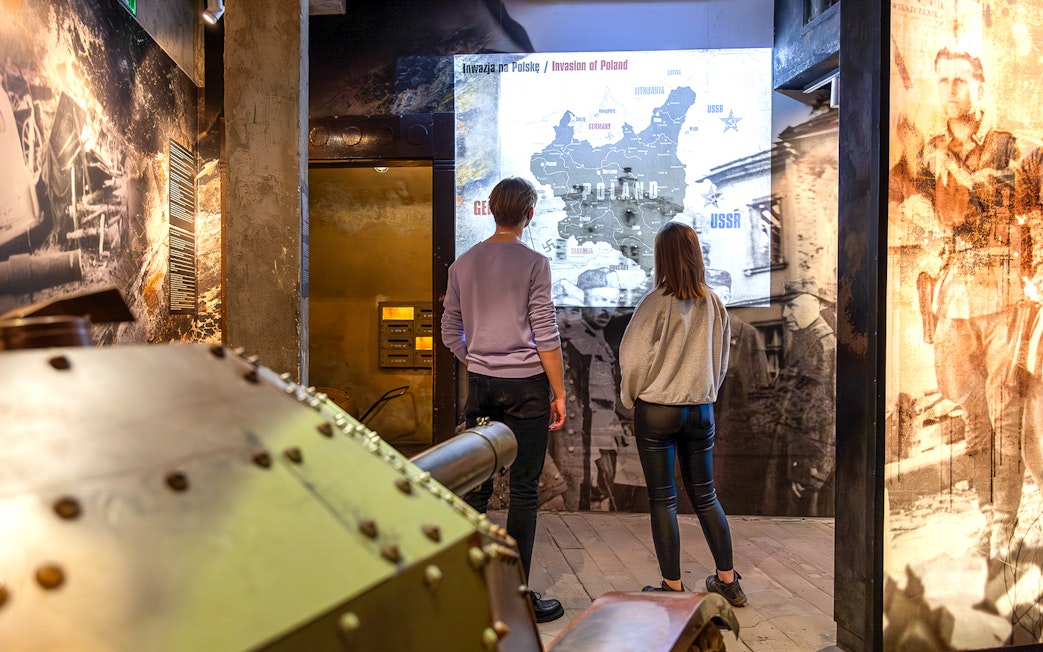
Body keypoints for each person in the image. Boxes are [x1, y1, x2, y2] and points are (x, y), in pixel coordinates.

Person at [912, 46, 1024, 569]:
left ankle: (1005, 522)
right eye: (943, 81)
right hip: (955, 300)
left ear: (980, 85)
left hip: (1003, 299)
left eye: (961, 80)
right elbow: (919, 218)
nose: (952, 89)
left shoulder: (1010, 147)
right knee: (973, 418)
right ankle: (986, 515)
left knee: (1006, 415)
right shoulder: (930, 154)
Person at [440, 176, 567, 623]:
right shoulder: (535, 263)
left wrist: (475, 356)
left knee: (476, 488)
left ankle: (471, 590)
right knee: (524, 492)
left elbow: (448, 330)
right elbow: (545, 332)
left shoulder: (463, 264)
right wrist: (559, 391)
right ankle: (515, 596)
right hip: (528, 386)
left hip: (481, 385)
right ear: (529, 214)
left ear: (491, 211)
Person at [618, 221, 747, 607]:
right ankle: (728, 581)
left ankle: (672, 588)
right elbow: (720, 361)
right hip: (700, 410)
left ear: (661, 257)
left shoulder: (655, 302)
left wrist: (632, 396)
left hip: (658, 411)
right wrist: (705, 392)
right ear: (695, 254)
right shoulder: (714, 301)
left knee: (663, 500)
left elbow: (633, 358)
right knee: (705, 495)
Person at [764, 279, 837, 516]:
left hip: (806, 463)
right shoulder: (805, 339)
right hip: (794, 455)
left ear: (814, 304)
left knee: (802, 528)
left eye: (792, 306)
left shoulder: (822, 346)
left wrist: (812, 468)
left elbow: (826, 413)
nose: (785, 314)